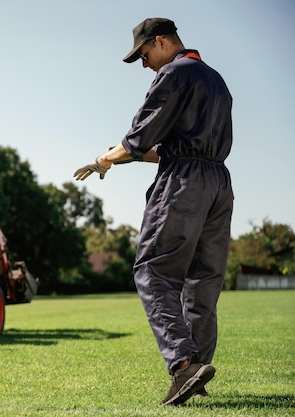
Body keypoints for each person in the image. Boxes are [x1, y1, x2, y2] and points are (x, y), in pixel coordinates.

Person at [74, 17, 234, 406]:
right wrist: (123, 156)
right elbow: (164, 148)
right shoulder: (216, 80)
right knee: (203, 283)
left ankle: (182, 366)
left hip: (183, 184)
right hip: (218, 184)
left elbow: (139, 138)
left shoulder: (174, 74)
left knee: (153, 271)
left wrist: (103, 158)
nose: (145, 65)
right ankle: (198, 367)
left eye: (144, 55)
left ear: (160, 41)